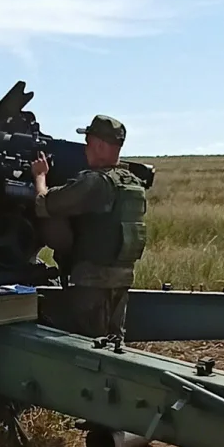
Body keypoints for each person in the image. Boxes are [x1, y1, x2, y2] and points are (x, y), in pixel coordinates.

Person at [29, 114, 150, 339]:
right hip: (121, 278)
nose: (85, 149)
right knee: (113, 340)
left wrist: (40, 176)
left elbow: (44, 204)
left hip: (92, 282)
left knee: (87, 347)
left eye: (88, 143)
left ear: (100, 145)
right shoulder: (132, 182)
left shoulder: (95, 182)